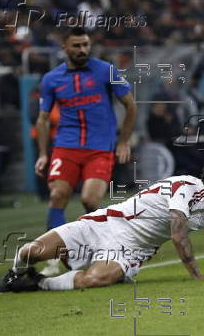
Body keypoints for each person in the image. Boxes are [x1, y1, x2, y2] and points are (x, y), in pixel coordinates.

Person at [0, 161, 204, 292]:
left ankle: (36, 284)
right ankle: (16, 275)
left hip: (132, 248)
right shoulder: (185, 186)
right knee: (31, 250)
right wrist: (197, 275)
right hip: (103, 224)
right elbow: (177, 232)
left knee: (96, 280)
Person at [34, 27, 137, 276]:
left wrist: (123, 142)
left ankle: (101, 251)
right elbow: (43, 119)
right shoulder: (51, 79)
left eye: (85, 45)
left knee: (90, 200)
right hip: (66, 146)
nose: (82, 50)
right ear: (65, 48)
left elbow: (130, 106)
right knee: (58, 195)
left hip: (100, 147)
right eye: (77, 46)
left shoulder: (106, 70)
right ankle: (55, 259)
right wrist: (43, 154)